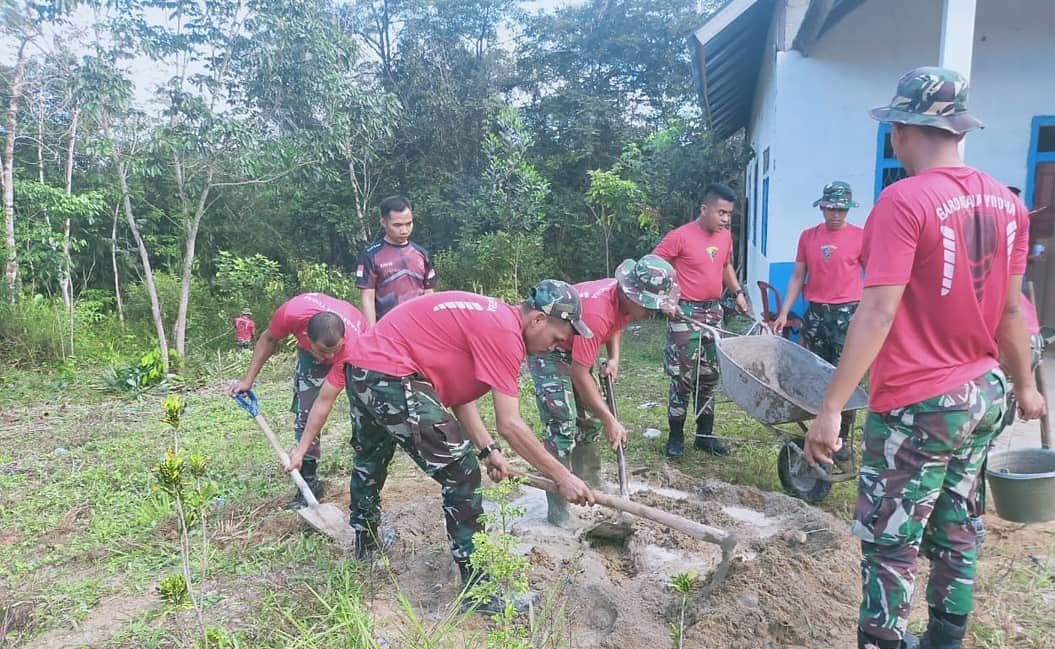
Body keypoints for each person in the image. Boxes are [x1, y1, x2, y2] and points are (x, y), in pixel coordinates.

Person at [805, 67, 1046, 649]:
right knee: (958, 527)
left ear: (904, 129)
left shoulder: (904, 201)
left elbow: (878, 310)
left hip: (919, 399)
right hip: (982, 395)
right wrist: (1023, 386)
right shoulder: (1008, 203)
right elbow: (1013, 310)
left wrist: (832, 406)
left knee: (892, 538)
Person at [289, 281, 597, 613]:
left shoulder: (492, 317)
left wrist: (487, 450)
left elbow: (458, 395)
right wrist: (562, 476)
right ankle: (478, 593)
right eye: (556, 338)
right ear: (537, 320)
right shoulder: (505, 334)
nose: (553, 348)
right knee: (461, 473)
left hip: (364, 368)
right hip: (392, 374)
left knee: (370, 460)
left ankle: (366, 545)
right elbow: (511, 424)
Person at [528, 255, 680, 525]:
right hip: (550, 349)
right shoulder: (597, 311)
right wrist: (611, 418)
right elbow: (578, 371)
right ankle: (559, 509)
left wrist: (614, 357)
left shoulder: (622, 298)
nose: (651, 313)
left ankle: (589, 482)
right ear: (632, 295)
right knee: (562, 425)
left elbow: (616, 325)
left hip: (576, 351)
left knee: (590, 421)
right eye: (648, 306)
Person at [231, 293, 367, 510]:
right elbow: (268, 338)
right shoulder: (291, 313)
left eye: (332, 352)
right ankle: (310, 483)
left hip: (355, 354)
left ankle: (366, 480)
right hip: (317, 342)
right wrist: (248, 380)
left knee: (365, 413)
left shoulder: (354, 346)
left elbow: (324, 402)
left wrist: (335, 354)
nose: (326, 358)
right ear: (304, 337)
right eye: (322, 351)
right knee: (306, 409)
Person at [653, 182, 750, 459]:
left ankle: (704, 436)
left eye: (729, 214)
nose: (725, 219)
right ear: (704, 209)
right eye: (721, 212)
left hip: (714, 312)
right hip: (685, 313)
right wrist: (667, 299)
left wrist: (738, 293)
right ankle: (675, 437)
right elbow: (652, 266)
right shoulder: (679, 237)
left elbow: (725, 266)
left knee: (709, 376)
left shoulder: (724, 237)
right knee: (683, 378)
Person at [774, 181, 865, 461]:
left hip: (847, 313)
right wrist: (784, 312)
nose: (835, 214)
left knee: (845, 376)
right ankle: (816, 431)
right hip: (816, 313)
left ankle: (842, 439)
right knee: (814, 374)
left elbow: (874, 276)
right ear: (822, 207)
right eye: (830, 208)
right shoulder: (808, 237)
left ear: (848, 209)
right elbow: (798, 277)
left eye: (841, 209)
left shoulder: (861, 237)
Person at [356, 195, 435, 325]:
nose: (404, 230)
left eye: (408, 224)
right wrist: (372, 335)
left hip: (420, 327)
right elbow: (367, 298)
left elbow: (429, 293)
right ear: (383, 222)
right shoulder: (371, 255)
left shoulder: (421, 254)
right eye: (397, 225)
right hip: (387, 329)